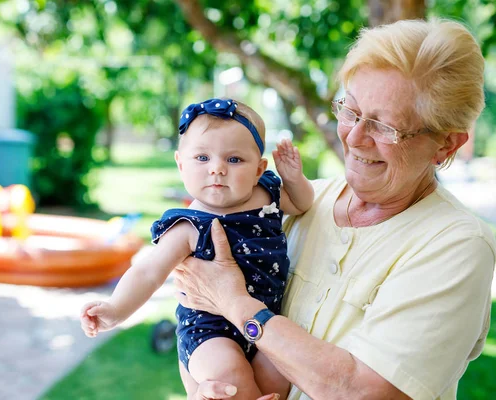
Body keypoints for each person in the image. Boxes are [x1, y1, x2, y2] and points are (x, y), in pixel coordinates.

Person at [174, 19, 496, 400]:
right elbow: (200, 318)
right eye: (351, 110)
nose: (355, 138)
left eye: (384, 126)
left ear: (445, 145)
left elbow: (366, 392)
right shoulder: (299, 201)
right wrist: (208, 387)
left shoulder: (456, 246)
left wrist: (237, 305)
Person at [80, 98, 314, 399]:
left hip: (264, 320)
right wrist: (115, 310)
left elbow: (301, 203)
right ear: (181, 164)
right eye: (202, 158)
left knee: (282, 372)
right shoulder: (188, 226)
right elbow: (148, 273)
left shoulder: (266, 192)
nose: (217, 169)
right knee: (231, 380)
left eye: (234, 160)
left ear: (259, 169)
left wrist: (294, 179)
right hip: (209, 332)